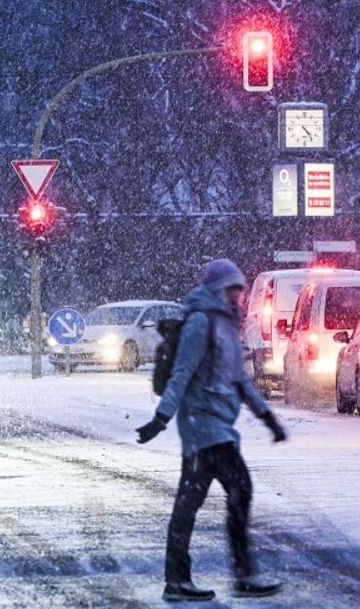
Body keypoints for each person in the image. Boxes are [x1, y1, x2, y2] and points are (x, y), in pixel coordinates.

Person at [136, 258, 288, 602]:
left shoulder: (227, 324)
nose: (236, 295)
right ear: (217, 289)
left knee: (191, 501)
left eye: (239, 289)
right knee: (237, 489)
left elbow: (239, 380)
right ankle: (239, 575)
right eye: (230, 288)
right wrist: (161, 418)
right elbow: (182, 373)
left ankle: (180, 580)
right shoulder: (200, 322)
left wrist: (268, 418)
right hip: (201, 425)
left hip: (217, 425)